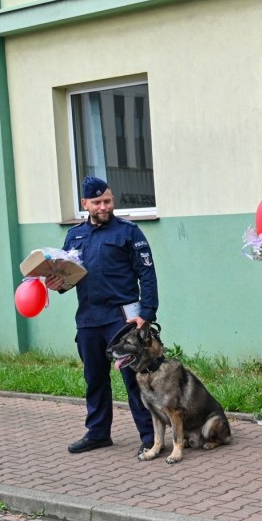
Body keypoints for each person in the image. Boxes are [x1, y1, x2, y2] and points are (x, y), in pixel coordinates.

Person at [44, 176, 158, 455]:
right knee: (94, 378)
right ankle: (98, 433)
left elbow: (147, 273)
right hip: (88, 319)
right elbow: (68, 276)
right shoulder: (75, 236)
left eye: (107, 201)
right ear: (85, 204)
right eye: (97, 202)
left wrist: (147, 312)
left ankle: (150, 435)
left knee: (135, 379)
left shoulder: (129, 232)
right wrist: (58, 286)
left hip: (122, 319)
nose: (104, 206)